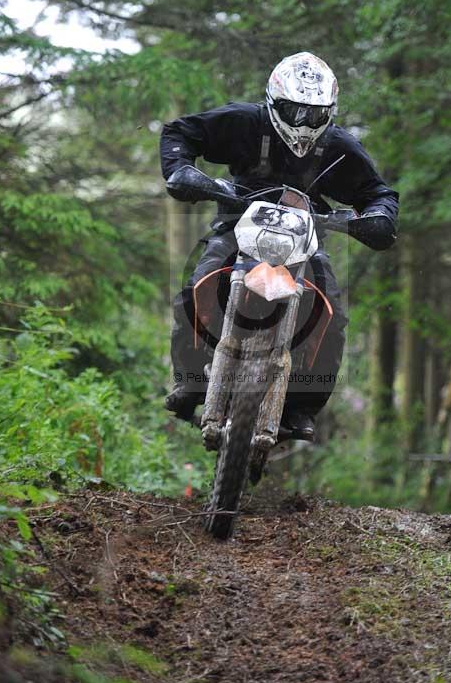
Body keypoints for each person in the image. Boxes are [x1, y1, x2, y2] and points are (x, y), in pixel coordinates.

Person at [160, 52, 399, 439]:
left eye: (314, 114)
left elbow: (378, 192)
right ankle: (190, 379)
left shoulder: (339, 147)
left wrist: (378, 218)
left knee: (332, 313)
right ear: (274, 102)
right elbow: (180, 133)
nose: (303, 123)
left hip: (306, 237)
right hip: (237, 221)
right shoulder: (246, 122)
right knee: (197, 285)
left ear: (330, 112)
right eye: (294, 111)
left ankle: (303, 406)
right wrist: (181, 170)